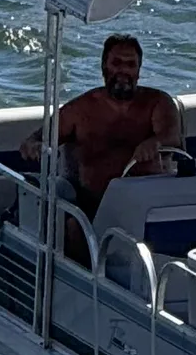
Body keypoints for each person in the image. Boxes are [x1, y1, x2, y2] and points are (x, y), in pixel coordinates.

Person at [20, 33, 180, 217]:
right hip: (92, 206)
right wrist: (36, 147)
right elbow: (34, 140)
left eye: (130, 65)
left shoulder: (158, 103)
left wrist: (155, 143)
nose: (123, 71)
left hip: (147, 203)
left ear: (139, 70)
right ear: (104, 67)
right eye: (117, 63)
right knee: (73, 226)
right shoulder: (80, 110)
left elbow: (172, 138)